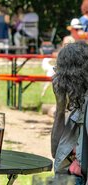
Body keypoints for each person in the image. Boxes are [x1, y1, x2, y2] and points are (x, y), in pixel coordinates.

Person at [51, 41, 88, 185]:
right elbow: (55, 152)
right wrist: (60, 108)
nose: (56, 79)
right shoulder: (79, 104)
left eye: (58, 72)